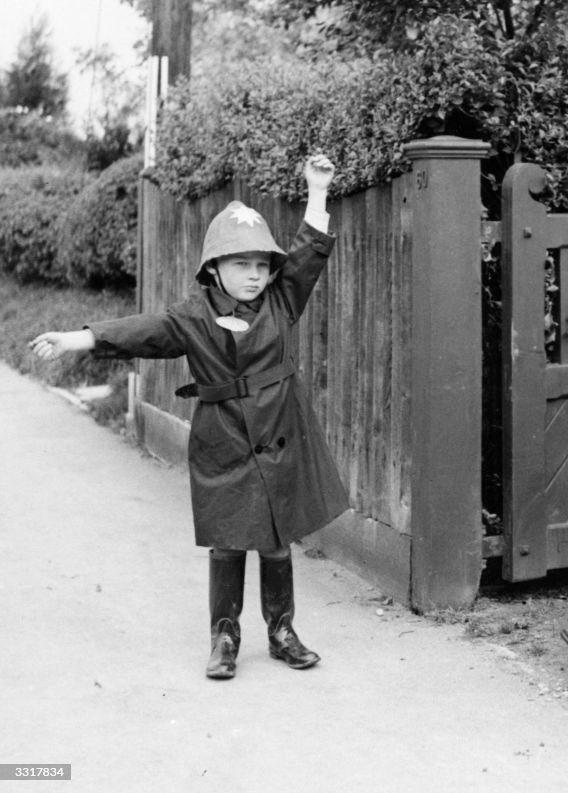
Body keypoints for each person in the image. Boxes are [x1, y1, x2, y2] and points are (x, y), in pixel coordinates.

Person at [30, 154, 350, 680]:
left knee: (275, 537)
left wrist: (317, 190)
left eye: (261, 265)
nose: (254, 274)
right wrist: (76, 338)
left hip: (279, 431)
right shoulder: (192, 317)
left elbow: (309, 251)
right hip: (222, 436)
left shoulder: (283, 299)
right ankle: (224, 636)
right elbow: (142, 330)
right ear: (214, 268)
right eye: (241, 263)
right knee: (228, 538)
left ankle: (282, 631)